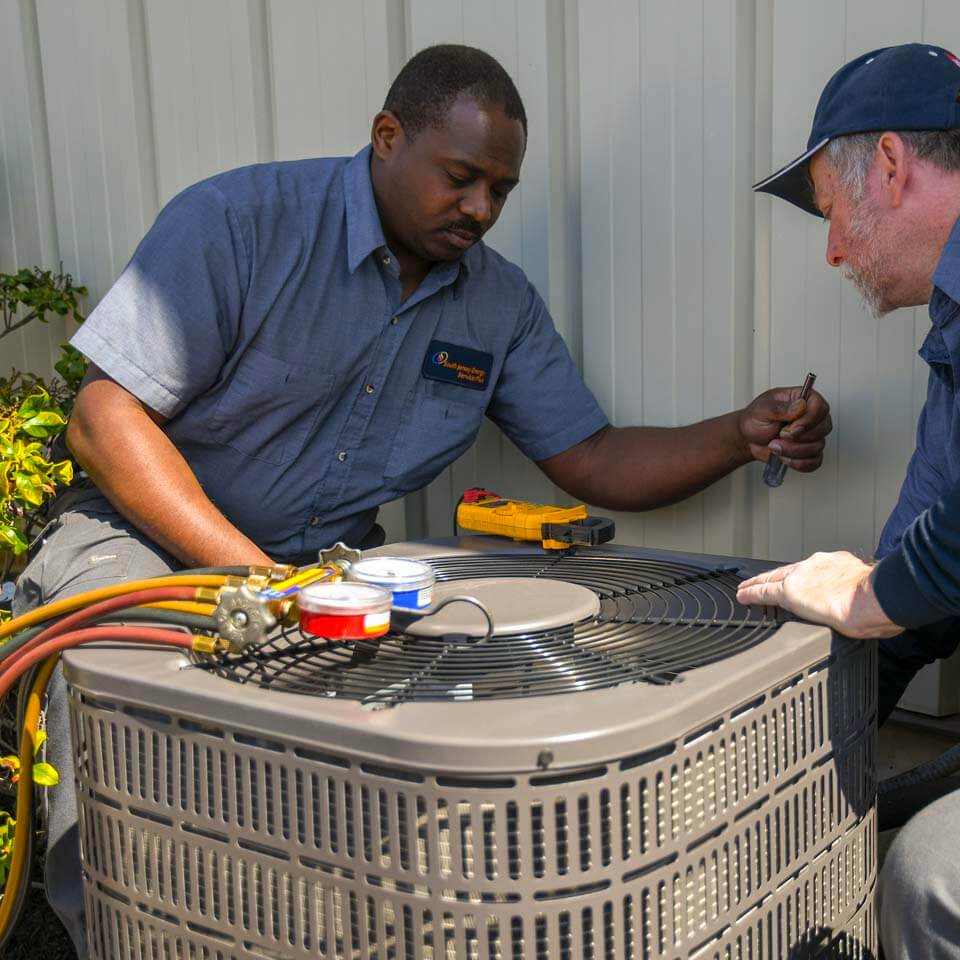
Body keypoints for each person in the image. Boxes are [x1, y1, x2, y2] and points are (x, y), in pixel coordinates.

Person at [14, 44, 830, 958]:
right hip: (137, 541)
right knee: (126, 704)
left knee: (370, 764)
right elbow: (103, 418)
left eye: (501, 191)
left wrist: (739, 432)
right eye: (461, 178)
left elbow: (593, 458)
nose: (481, 209)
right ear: (387, 137)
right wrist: (262, 581)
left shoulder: (497, 307)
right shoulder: (239, 224)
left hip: (327, 572)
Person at [743, 42, 960, 958]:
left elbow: (915, 578)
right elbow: (927, 560)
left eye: (832, 213)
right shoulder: (952, 326)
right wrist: (786, 753)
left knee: (930, 878)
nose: (832, 250)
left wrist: (867, 596)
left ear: (892, 164)